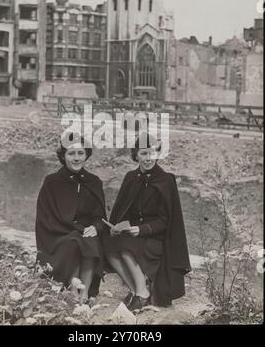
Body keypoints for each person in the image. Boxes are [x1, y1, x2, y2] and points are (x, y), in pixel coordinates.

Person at [102, 133, 191, 311]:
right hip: (133, 233)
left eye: (152, 153)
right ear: (136, 155)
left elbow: (166, 221)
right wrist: (118, 227)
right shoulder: (130, 177)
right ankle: (136, 290)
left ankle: (142, 292)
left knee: (125, 248)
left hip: (155, 237)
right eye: (143, 153)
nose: (148, 158)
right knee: (108, 246)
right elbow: (123, 209)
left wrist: (141, 230)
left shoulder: (166, 180)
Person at [36, 133, 106, 302]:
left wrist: (95, 227)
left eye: (80, 153)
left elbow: (99, 216)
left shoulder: (93, 181)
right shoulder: (51, 181)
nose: (76, 158)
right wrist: (79, 230)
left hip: (83, 233)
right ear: (63, 155)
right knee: (74, 242)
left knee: (91, 240)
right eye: (71, 153)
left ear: (86, 155)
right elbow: (46, 218)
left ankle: (85, 294)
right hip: (57, 234)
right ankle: (73, 292)